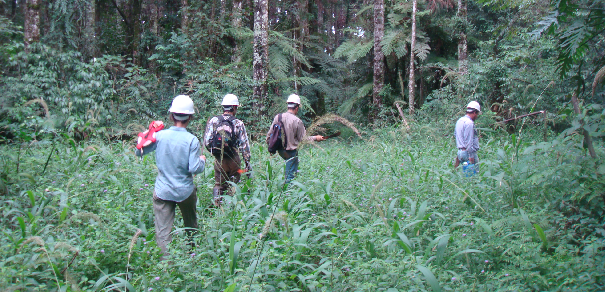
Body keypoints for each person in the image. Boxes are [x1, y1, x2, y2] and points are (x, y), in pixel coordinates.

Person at [135, 95, 206, 257]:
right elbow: (194, 168)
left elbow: (138, 152)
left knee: (162, 232)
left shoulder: (160, 136)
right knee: (191, 225)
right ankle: (192, 254)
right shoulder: (192, 140)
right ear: (190, 117)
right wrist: (202, 160)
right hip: (185, 191)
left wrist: (148, 133)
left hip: (163, 191)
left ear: (171, 116)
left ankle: (166, 267)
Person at [203, 94, 252, 206]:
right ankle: (230, 206)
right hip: (234, 158)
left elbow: (207, 141)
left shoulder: (214, 121)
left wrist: (215, 151)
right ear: (234, 107)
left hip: (219, 159)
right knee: (233, 183)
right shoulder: (238, 123)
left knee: (219, 184)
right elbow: (244, 146)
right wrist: (247, 162)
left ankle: (217, 206)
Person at [266, 94, 325, 183]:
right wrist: (316, 138)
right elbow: (303, 139)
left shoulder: (278, 117)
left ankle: (284, 190)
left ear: (288, 105)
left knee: (288, 173)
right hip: (291, 152)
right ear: (297, 107)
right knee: (290, 177)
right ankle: (287, 194)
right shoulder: (297, 121)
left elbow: (269, 135)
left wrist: (270, 146)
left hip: (280, 151)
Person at [454, 101, 481, 169]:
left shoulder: (459, 121)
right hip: (467, 153)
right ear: (474, 112)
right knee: (473, 176)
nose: (477, 116)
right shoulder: (469, 123)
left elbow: (456, 135)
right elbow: (468, 141)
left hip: (460, 152)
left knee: (465, 175)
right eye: (477, 114)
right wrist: (471, 156)